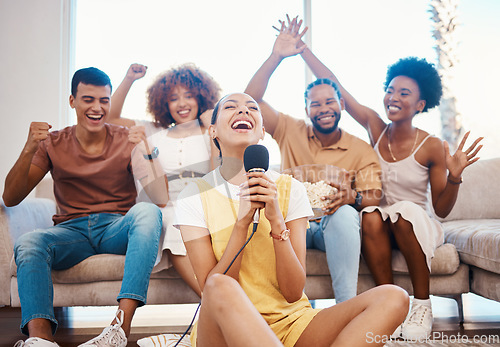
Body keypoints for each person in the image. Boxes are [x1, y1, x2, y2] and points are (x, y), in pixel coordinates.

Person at [174, 92, 409, 347]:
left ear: (262, 131)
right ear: (213, 131)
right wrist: (242, 224)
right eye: (231, 107)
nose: (243, 111)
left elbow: (293, 291)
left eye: (252, 108)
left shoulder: (290, 189)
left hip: (291, 324)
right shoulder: (193, 195)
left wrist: (276, 222)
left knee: (394, 297)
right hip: (223, 330)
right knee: (218, 284)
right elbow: (211, 292)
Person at [295, 25, 483, 339]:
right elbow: (338, 88)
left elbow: (442, 208)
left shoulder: (432, 145)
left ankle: (422, 304)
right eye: (390, 90)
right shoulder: (375, 128)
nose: (393, 98)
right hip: (379, 225)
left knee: (405, 210)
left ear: (420, 105)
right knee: (369, 213)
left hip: (415, 224)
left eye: (403, 93)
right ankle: (389, 304)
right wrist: (303, 50)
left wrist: (454, 176)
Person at [4, 67, 164, 347]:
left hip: (116, 227)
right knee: (29, 242)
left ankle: (119, 329)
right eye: (88, 99)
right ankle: (39, 340)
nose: (97, 107)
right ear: (72, 101)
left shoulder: (126, 139)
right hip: (70, 232)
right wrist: (29, 147)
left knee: (149, 211)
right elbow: (11, 198)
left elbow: (160, 197)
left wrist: (147, 148)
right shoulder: (53, 143)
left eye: (104, 100)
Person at [244, 16, 382, 303]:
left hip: (330, 221)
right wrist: (276, 57)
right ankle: (295, 311)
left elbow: (373, 196)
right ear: (306, 110)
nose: (324, 108)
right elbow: (249, 100)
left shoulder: (360, 149)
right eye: (315, 104)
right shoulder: (289, 129)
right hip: (295, 222)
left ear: (341, 105)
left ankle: (346, 306)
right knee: (275, 220)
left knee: (345, 214)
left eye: (330, 101)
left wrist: (351, 196)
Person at [107, 63, 222, 296]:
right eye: (173, 98)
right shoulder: (153, 130)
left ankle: (217, 304)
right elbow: (111, 117)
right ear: (163, 103)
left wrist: (213, 128)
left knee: (184, 220)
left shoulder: (211, 131)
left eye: (188, 96)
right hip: (164, 205)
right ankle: (215, 302)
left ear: (201, 97)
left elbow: (217, 176)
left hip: (203, 202)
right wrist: (129, 78)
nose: (182, 104)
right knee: (172, 221)